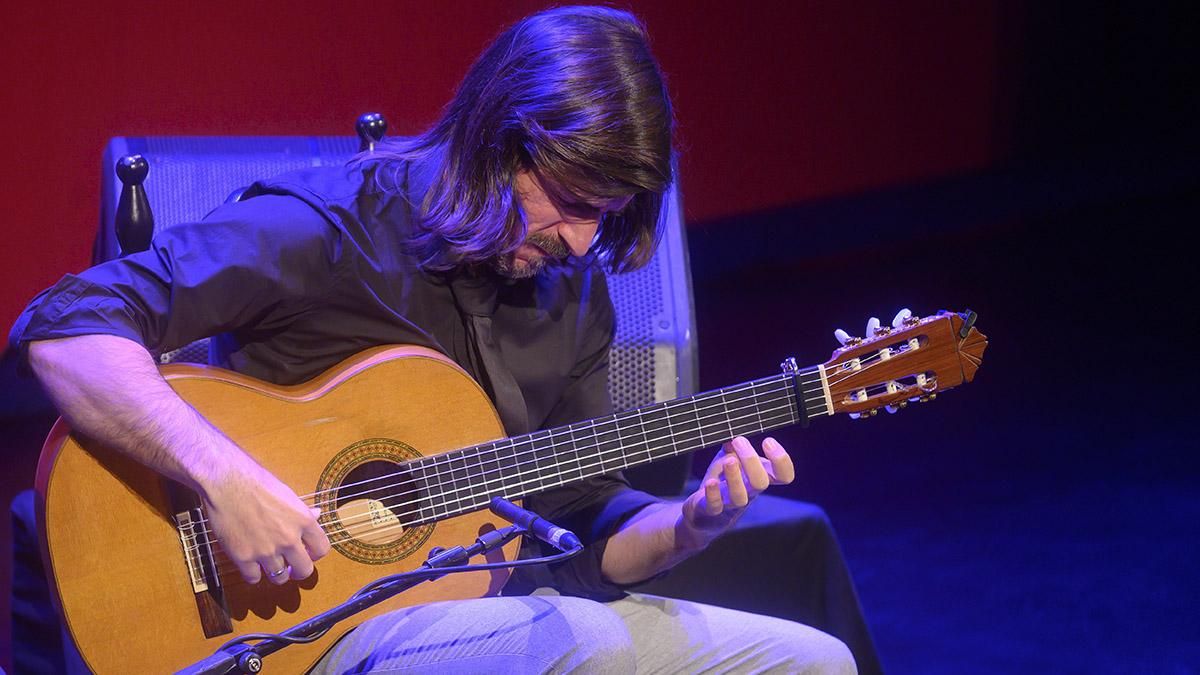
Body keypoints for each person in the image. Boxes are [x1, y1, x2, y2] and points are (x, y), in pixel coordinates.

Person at [11, 6, 857, 673]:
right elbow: (65, 326)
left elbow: (577, 526)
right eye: (566, 197)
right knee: (578, 643)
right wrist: (225, 477)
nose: (575, 236)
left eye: (600, 215)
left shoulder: (574, 289)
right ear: (500, 140)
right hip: (306, 626)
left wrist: (690, 525)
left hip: (490, 617)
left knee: (813, 659)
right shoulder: (327, 231)